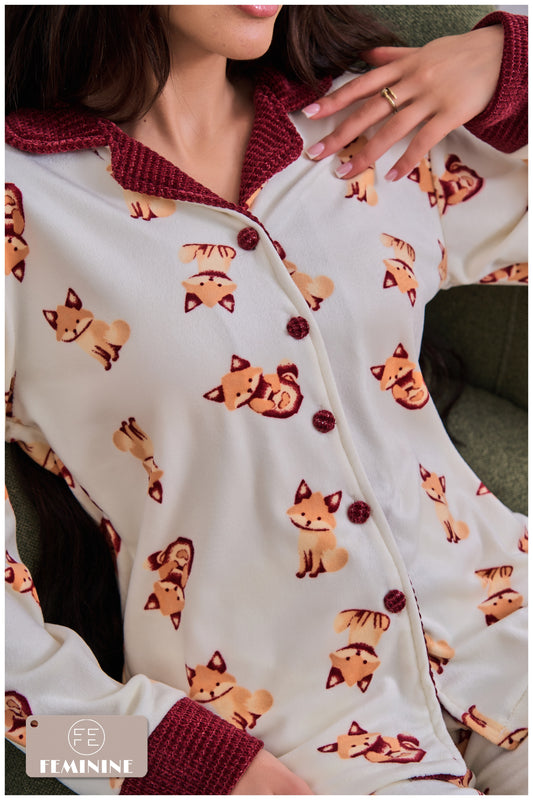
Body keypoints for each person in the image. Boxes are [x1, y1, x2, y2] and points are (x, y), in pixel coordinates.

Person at [5, 5, 527, 795]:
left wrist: (508, 61)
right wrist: (163, 768)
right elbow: (34, 735)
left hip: (510, 636)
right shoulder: (22, 200)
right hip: (288, 755)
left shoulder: (369, 119)